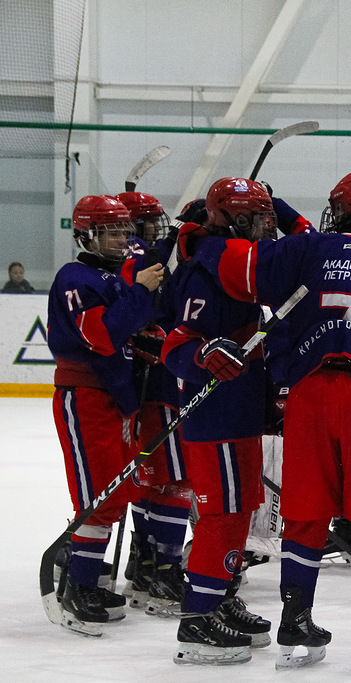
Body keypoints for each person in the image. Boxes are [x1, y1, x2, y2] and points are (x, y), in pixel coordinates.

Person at [184, 171, 351, 670]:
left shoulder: (308, 249)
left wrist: (196, 241)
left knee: (305, 513)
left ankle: (295, 616)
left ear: (338, 211)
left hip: (310, 392)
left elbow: (241, 268)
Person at [162, 178, 276, 665]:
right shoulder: (206, 269)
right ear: (230, 216)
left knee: (244, 505)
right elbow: (177, 342)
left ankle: (220, 596)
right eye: (258, 215)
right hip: (216, 415)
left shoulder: (238, 261)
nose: (267, 225)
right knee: (222, 513)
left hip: (243, 410)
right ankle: (198, 617)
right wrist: (205, 352)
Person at [47, 195, 164, 636]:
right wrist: (139, 293)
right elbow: (100, 336)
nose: (121, 239)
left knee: (115, 495)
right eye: (110, 232)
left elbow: (131, 332)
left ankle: (87, 577)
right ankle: (78, 586)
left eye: (122, 231)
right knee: (97, 496)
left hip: (116, 398)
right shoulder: (75, 277)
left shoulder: (114, 275)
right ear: (86, 234)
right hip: (86, 398)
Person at [114, 191, 193, 616]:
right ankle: (166, 569)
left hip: (135, 386)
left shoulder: (121, 259)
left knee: (149, 478)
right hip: (161, 383)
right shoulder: (141, 254)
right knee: (176, 479)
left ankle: (144, 562)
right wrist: (179, 233)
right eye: (150, 222)